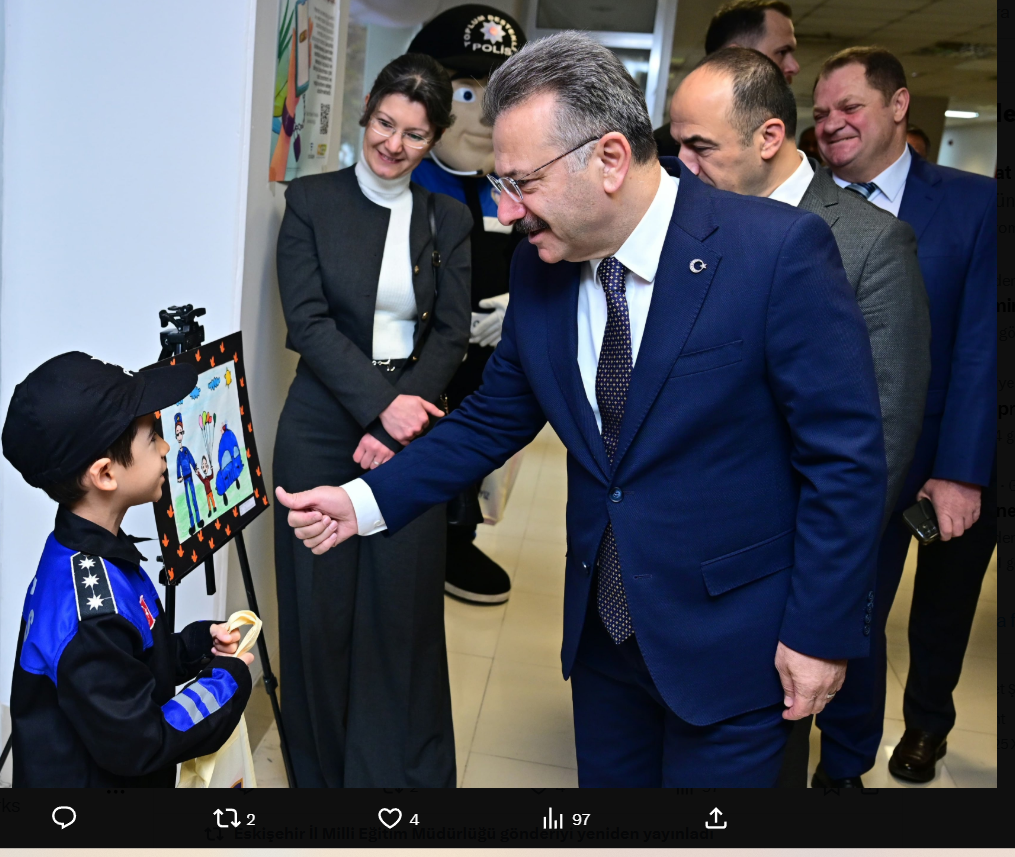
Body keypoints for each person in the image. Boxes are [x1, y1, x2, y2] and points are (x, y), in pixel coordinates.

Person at [279, 33, 887, 787]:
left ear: (608, 159)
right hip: (606, 641)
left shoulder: (775, 252)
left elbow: (844, 460)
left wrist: (820, 633)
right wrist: (360, 502)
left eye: (523, 183)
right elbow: (492, 419)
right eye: (501, 183)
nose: (507, 210)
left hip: (734, 647)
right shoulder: (545, 270)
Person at [668, 47, 933, 786]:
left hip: (782, 564)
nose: (682, 166)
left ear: (768, 137)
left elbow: (878, 439)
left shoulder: (870, 244)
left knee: (762, 760)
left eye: (699, 147)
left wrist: (810, 588)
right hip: (681, 552)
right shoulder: (688, 218)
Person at [273, 53, 473, 787]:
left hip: (411, 424)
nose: (394, 143)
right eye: (385, 123)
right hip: (321, 422)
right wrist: (376, 406)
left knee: (401, 611)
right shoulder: (309, 201)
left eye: (415, 134)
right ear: (365, 112)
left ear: (434, 139)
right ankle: (321, 780)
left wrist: (394, 423)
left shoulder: (449, 218)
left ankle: (392, 781)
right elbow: (307, 322)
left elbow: (451, 334)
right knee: (319, 612)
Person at [814, 46, 997, 786]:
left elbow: (982, 342)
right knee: (846, 607)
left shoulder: (974, 204)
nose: (831, 123)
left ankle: (916, 726)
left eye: (849, 107)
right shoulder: (797, 201)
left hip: (938, 451)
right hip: (837, 454)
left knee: (930, 608)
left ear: (897, 106)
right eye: (820, 112)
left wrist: (959, 471)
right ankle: (835, 760)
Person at [0, 352, 253, 787]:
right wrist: (228, 682)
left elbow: (130, 662)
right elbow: (142, 741)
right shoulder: (92, 615)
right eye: (153, 437)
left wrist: (196, 646)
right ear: (104, 474)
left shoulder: (90, 553)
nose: (166, 448)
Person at [407, 4, 527, 605]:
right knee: (427, 446)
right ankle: (425, 537)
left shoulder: (506, 186)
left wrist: (516, 309)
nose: (483, 117)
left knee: (484, 451)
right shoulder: (411, 184)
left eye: (499, 97)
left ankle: (461, 534)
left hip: (489, 365)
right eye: (466, 94)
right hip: (423, 366)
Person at [655, 0, 800, 156]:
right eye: (782, 52)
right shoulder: (658, 155)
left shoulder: (782, 143)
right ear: (737, 57)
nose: (794, 66)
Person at [173, 412, 204, 532]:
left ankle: (198, 520)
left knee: (194, 497)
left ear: (183, 433)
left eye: (180, 432)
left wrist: (195, 467)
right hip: (185, 479)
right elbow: (177, 466)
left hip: (190, 477)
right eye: (177, 433)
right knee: (188, 500)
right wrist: (179, 476)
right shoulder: (179, 454)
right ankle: (192, 524)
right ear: (176, 436)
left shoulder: (186, 450)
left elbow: (191, 459)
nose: (179, 435)